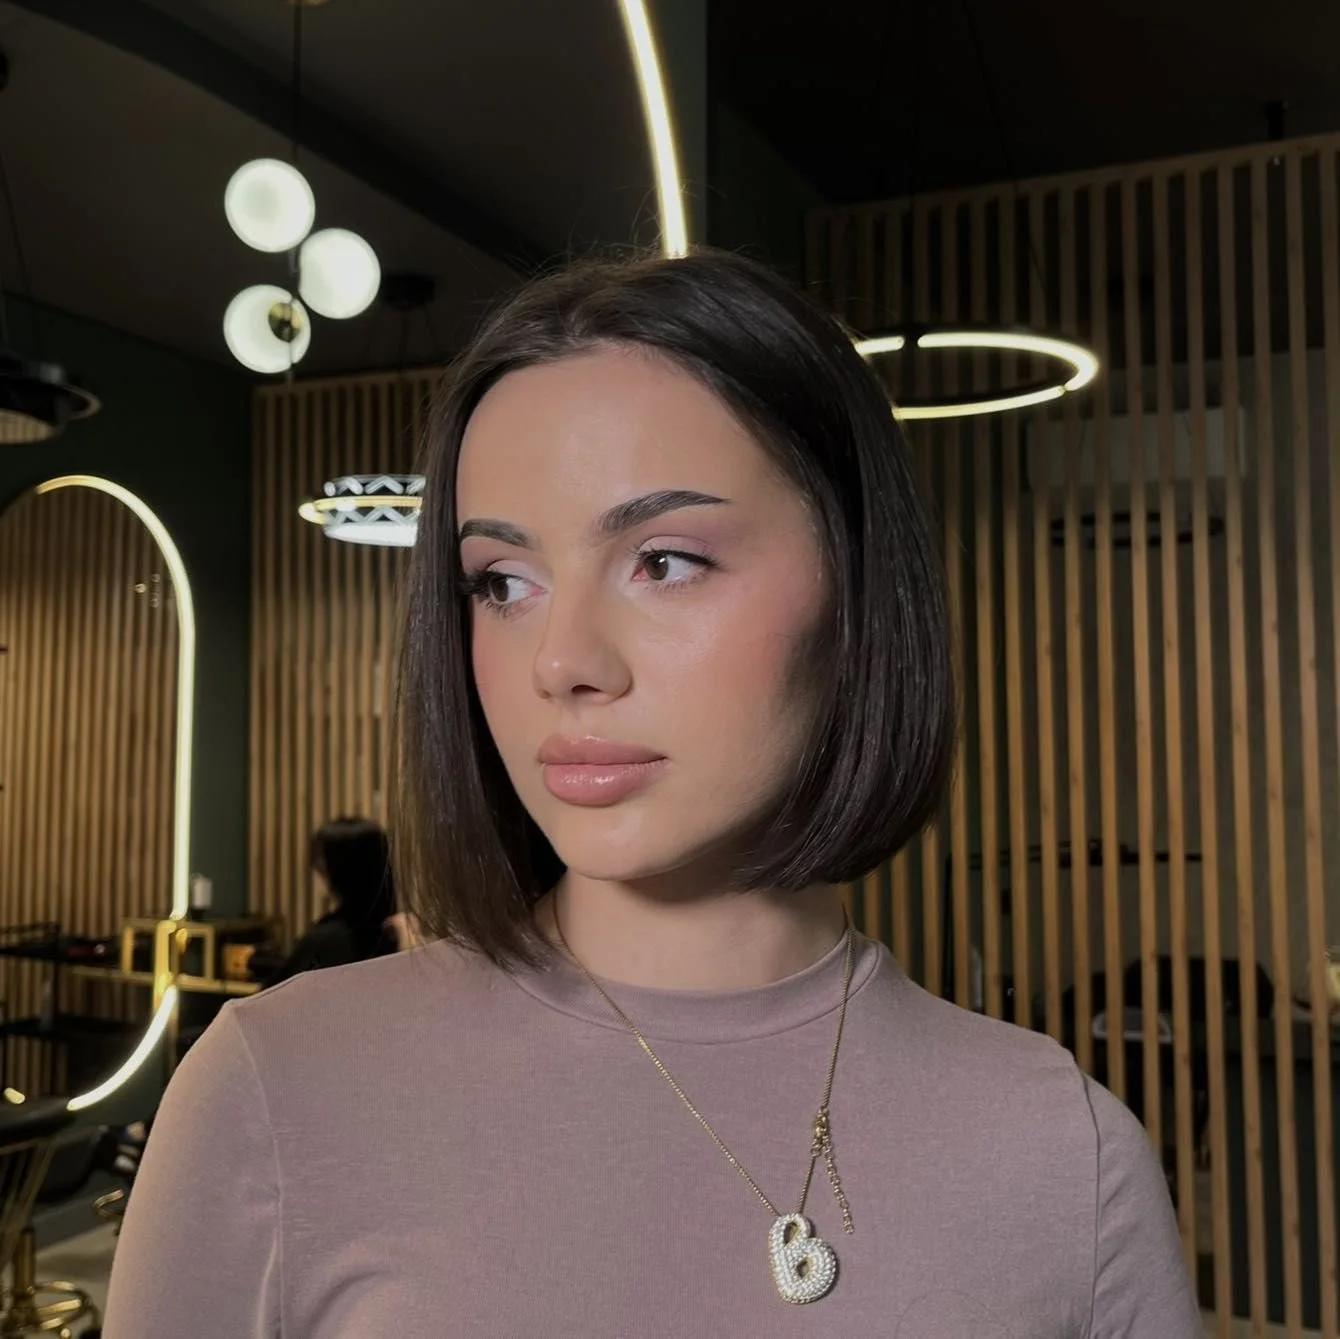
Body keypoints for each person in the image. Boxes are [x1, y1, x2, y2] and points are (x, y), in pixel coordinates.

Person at [104, 250, 1199, 1337]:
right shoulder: (280, 1096)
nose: (560, 660)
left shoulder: (1061, 1151)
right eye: (501, 581)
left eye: (662, 560)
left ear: (857, 588)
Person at [249, 817, 398, 987]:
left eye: (321, 863)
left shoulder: (325, 941)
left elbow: (270, 998)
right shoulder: (395, 934)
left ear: (338, 870)